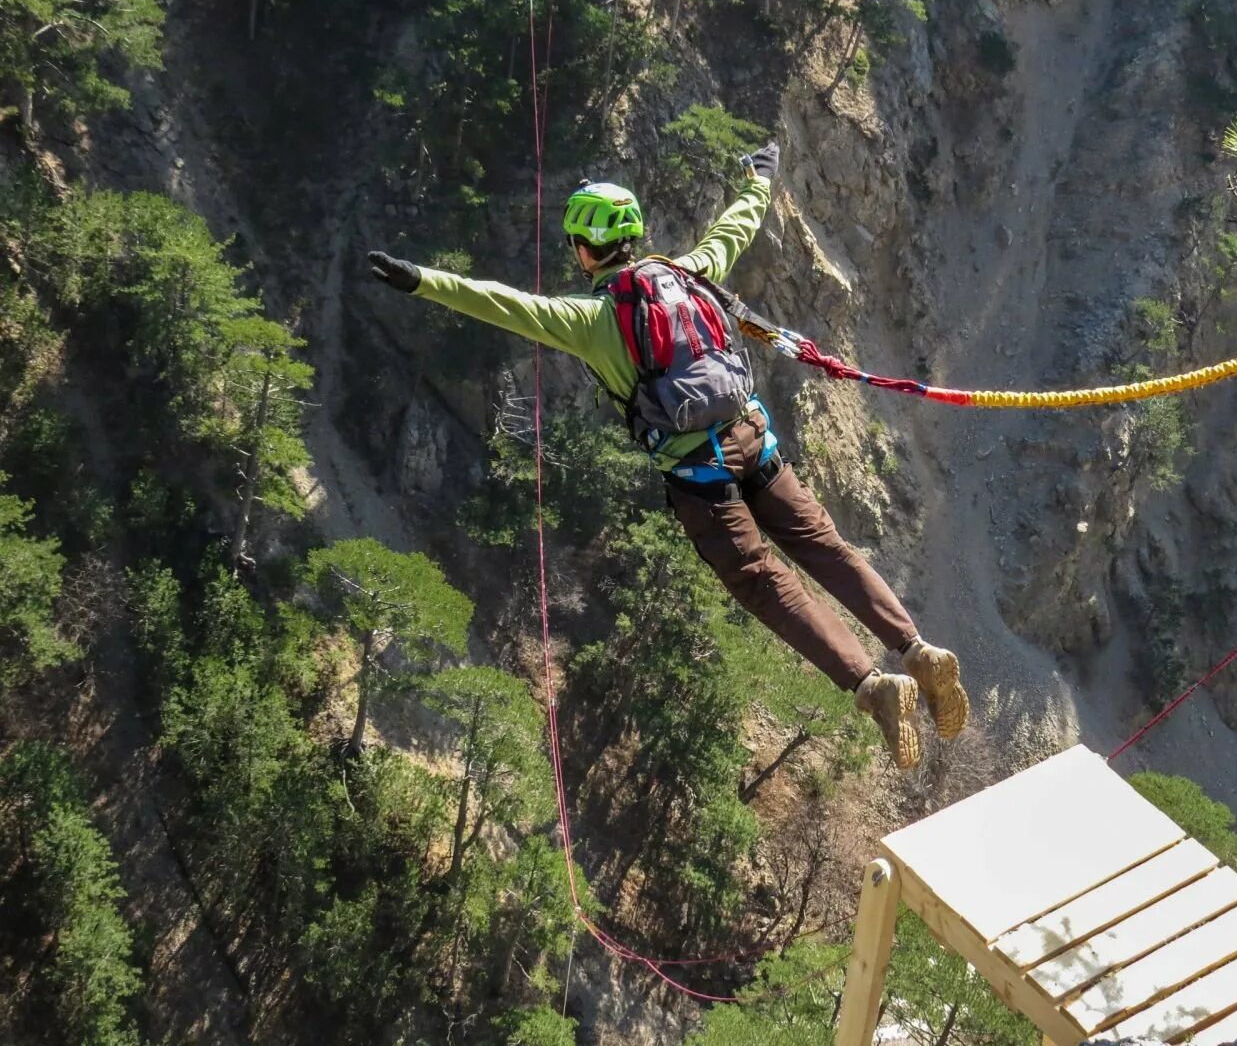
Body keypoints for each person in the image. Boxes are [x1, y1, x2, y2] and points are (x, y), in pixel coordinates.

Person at [367, 142, 968, 768]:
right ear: (632, 237)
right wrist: (760, 177)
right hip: (754, 439)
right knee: (825, 547)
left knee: (764, 582)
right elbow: (735, 227)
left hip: (700, 476)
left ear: (582, 248)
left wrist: (420, 280)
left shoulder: (590, 320)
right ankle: (916, 649)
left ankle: (873, 686)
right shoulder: (690, 272)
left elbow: (503, 303)